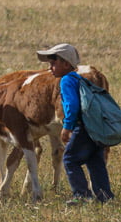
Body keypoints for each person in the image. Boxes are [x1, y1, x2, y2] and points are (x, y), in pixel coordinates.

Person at [36, 42, 114, 204]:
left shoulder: (66, 81)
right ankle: (104, 196)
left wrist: (67, 127)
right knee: (95, 161)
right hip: (95, 126)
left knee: (70, 159)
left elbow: (71, 105)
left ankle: (81, 195)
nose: (50, 68)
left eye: (53, 63)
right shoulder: (81, 79)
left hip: (82, 126)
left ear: (65, 64)